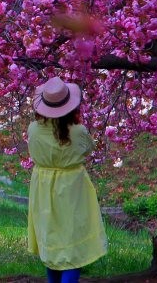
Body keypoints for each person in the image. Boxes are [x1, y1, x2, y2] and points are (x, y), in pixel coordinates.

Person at [26, 76, 107, 283]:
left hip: (43, 185)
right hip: (71, 187)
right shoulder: (78, 131)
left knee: (51, 239)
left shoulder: (34, 129)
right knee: (72, 244)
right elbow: (88, 148)